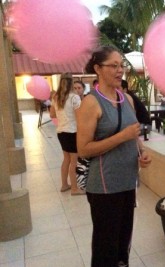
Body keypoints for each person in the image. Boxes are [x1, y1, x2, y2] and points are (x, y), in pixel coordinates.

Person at [76, 45, 152, 267]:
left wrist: (142, 151)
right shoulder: (90, 103)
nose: (120, 70)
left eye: (122, 65)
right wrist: (121, 137)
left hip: (128, 182)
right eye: (113, 66)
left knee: (122, 244)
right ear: (98, 69)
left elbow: (133, 134)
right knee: (105, 247)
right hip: (104, 186)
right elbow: (83, 149)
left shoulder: (126, 99)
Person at [49, 72, 85, 195]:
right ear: (71, 83)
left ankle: (65, 184)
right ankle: (75, 189)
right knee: (74, 161)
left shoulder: (55, 97)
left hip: (61, 131)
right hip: (72, 132)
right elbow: (79, 117)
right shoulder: (74, 98)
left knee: (66, 159)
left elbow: (52, 115)